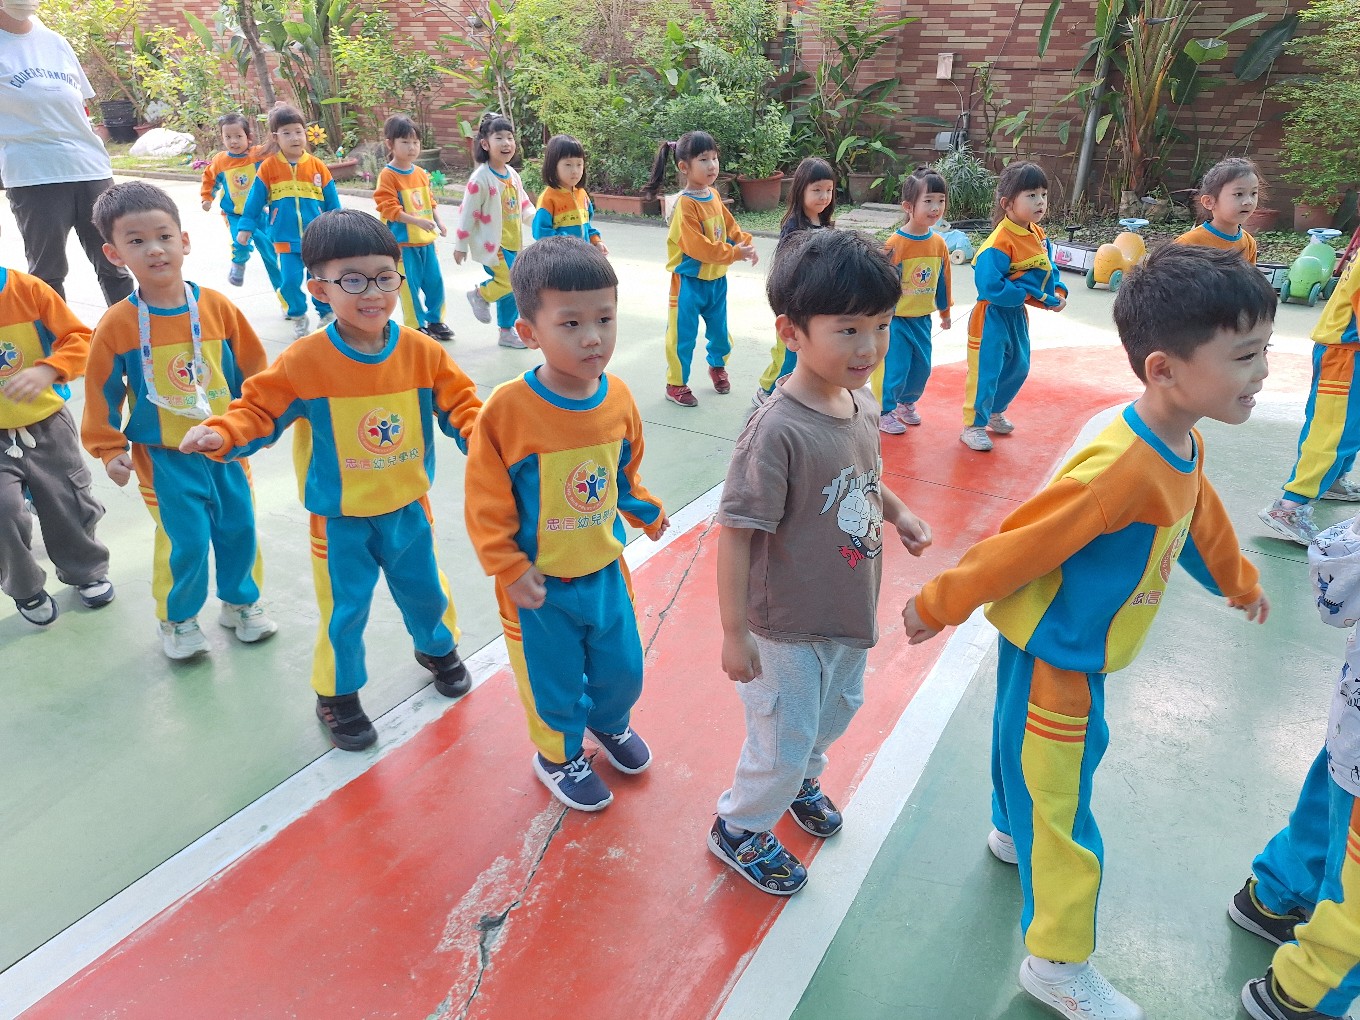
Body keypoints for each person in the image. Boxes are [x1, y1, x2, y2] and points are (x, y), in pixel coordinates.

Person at [902, 244, 1273, 1019]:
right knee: (1063, 809)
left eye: (1264, 349)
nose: (1262, 370)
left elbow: (1199, 517)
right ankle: (1058, 964)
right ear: (1164, 369)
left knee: (1019, 757)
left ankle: (1009, 830)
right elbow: (1023, 543)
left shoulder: (1182, 441)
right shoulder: (1119, 470)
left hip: (1052, 641)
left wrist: (1236, 581)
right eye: (1244, 355)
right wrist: (939, 602)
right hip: (1063, 660)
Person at [180, 210, 481, 752]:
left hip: (409, 508)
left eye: (385, 277)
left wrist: (485, 436)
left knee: (426, 591)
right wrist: (221, 433)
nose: (374, 293)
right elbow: (258, 411)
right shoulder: (305, 361)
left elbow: (461, 405)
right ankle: (337, 694)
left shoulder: (422, 352)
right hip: (339, 520)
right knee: (346, 611)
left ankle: (437, 648)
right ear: (319, 288)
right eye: (353, 280)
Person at [710, 229, 932, 895]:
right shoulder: (777, 429)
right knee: (784, 733)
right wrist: (734, 632)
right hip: (784, 625)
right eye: (849, 330)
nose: (869, 348)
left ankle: (800, 780)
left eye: (881, 326)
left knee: (838, 709)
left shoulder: (860, 402)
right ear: (792, 332)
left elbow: (864, 477)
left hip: (845, 608)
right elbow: (736, 532)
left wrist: (899, 512)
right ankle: (740, 826)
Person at [464, 235, 669, 811]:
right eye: (571, 323)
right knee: (551, 681)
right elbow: (485, 500)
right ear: (529, 331)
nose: (592, 337)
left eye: (604, 319)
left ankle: (609, 722)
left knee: (622, 667)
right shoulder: (507, 411)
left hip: (604, 571)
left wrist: (646, 511)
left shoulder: (618, 398)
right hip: (540, 588)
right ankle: (558, 755)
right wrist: (508, 567)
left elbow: (621, 474)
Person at [81, 181, 275, 660]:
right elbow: (101, 390)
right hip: (163, 459)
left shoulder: (217, 307)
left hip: (224, 448)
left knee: (239, 528)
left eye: (164, 236)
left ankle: (241, 603)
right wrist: (109, 448)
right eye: (137, 241)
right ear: (114, 254)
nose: (155, 249)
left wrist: (260, 420)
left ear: (184, 241)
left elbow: (254, 371)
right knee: (184, 540)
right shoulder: (118, 324)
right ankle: (179, 618)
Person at [1231, 515, 1360, 1020]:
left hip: (1351, 727)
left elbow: (1338, 570)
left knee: (1326, 813)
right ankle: (1304, 993)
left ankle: (1273, 898)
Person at [0, 247, 113, 625]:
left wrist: (51, 369)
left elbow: (79, 338)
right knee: (3, 510)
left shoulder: (28, 290)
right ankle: (24, 586)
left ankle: (86, 569)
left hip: (47, 424)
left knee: (67, 501)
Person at [0, 1, 132, 305]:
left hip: (91, 169)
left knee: (115, 265)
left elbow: (79, 106)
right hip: (35, 175)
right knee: (48, 274)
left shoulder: (56, 42)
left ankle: (131, 333)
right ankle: (54, 336)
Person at [643, 130, 757, 408]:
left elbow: (730, 227)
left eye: (715, 158)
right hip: (688, 283)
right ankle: (676, 384)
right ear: (684, 167)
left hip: (716, 281)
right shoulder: (685, 204)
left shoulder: (713, 195)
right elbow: (699, 247)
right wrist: (734, 253)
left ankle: (717, 366)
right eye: (704, 159)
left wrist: (745, 243)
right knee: (682, 336)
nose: (712, 165)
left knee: (720, 334)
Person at [961, 161, 1067, 452]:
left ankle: (995, 410)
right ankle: (973, 425)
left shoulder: (1038, 234)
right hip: (991, 316)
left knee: (1018, 366)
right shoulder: (999, 242)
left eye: (1043, 194)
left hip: (1017, 316)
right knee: (986, 371)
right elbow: (989, 284)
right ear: (1008, 204)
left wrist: (1057, 291)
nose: (1040, 201)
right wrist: (1023, 295)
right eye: (1031, 195)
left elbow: (1048, 268)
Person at [1258, 253, 1360, 546]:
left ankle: (1335, 479)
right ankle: (1290, 506)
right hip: (1345, 356)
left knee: (1349, 428)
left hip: (1348, 352)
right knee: (1332, 432)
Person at [236, 103, 341, 340]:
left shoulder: (318, 167)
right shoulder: (268, 168)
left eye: (298, 131)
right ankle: (298, 315)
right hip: (285, 238)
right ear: (276, 137)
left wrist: (338, 228)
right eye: (287, 133)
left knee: (320, 280)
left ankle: (326, 314)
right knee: (289, 282)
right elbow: (254, 202)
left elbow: (333, 203)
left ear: (306, 133)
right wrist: (245, 227)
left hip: (318, 239)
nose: (294, 137)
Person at [874, 165, 952, 436]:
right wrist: (879, 316)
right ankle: (885, 410)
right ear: (908, 206)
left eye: (940, 200)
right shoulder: (896, 243)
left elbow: (943, 281)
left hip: (922, 319)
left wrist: (945, 312)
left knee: (921, 368)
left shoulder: (939, 244)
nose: (936, 207)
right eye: (928, 201)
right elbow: (883, 283)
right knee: (896, 367)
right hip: (896, 321)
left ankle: (906, 403)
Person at [753, 156, 836, 407]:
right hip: (793, 301)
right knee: (788, 352)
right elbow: (785, 267)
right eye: (817, 190)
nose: (824, 196)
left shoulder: (825, 224)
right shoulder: (794, 226)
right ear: (801, 191)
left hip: (815, 299)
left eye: (829, 190)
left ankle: (799, 390)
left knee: (808, 351)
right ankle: (768, 389)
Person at [454, 111, 535, 349]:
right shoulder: (480, 179)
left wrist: (540, 222)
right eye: (499, 138)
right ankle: (480, 295)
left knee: (513, 289)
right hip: (493, 244)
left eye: (510, 137)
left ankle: (506, 331)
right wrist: (460, 245)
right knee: (510, 282)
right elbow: (467, 214)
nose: (506, 143)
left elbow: (523, 205)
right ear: (485, 144)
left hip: (513, 243)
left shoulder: (512, 175)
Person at [373, 113, 453, 344]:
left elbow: (430, 202)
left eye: (416, 142)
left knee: (435, 282)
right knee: (409, 287)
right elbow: (389, 209)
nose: (412, 147)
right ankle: (415, 325)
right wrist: (417, 222)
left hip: (426, 241)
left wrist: (439, 222)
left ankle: (436, 321)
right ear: (390, 144)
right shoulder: (388, 175)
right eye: (405, 142)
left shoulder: (420, 173)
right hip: (403, 244)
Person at [200, 112, 284, 298]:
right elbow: (210, 178)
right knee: (240, 242)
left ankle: (284, 295)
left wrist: (278, 118)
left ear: (249, 137)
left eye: (238, 136)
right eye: (228, 137)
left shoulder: (258, 155)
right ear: (222, 138)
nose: (233, 141)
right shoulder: (221, 161)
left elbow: (277, 145)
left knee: (270, 253)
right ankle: (239, 261)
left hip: (260, 213)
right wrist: (207, 197)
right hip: (234, 215)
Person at [1174, 157, 1261, 264]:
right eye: (1239, 194)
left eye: (1253, 193)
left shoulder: (1249, 243)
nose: (1248, 201)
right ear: (1209, 202)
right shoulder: (1188, 243)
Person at [532, 133, 607, 253]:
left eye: (579, 164)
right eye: (568, 164)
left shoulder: (582, 194)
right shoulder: (548, 198)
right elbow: (540, 232)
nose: (575, 171)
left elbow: (586, 226)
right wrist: (566, 245)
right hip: (558, 258)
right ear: (553, 166)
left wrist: (596, 241)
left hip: (582, 255)